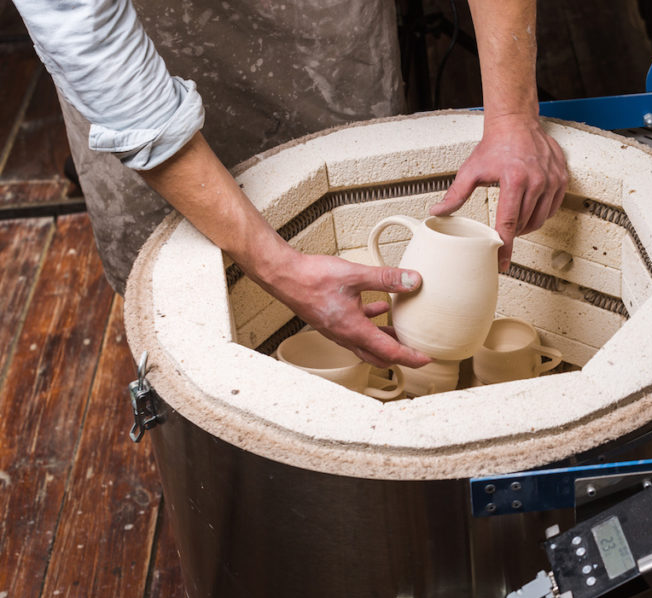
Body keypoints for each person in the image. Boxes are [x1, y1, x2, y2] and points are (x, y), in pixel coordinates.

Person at [13, 0, 567, 368]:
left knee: (347, 209)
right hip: (146, 44)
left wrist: (513, 117)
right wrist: (277, 265)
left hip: (316, 28)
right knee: (186, 299)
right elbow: (91, 48)